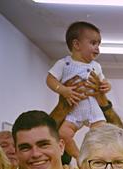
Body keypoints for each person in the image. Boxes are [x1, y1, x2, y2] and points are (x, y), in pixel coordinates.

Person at [46, 21, 111, 161]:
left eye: (99, 44)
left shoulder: (96, 66)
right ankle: (79, 157)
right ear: (76, 45)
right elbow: (50, 79)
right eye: (93, 43)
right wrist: (62, 90)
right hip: (74, 109)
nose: (97, 49)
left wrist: (106, 86)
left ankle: (94, 157)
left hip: (92, 107)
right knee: (63, 134)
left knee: (102, 134)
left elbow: (103, 82)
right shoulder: (64, 63)